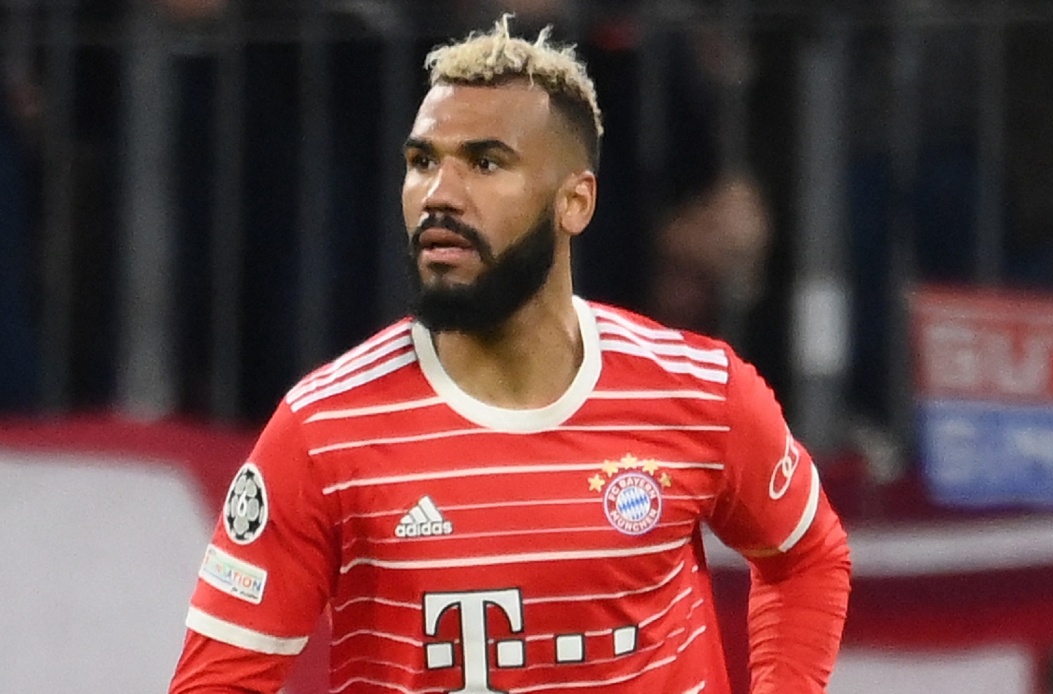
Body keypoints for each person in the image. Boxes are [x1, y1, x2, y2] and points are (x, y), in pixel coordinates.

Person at [168, 15, 851, 694]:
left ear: (574, 202)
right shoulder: (325, 430)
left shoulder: (698, 391)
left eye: (486, 163)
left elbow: (806, 556)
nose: (439, 195)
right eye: (422, 162)